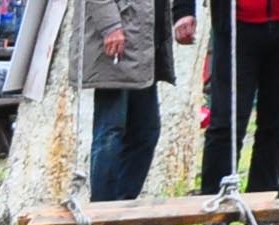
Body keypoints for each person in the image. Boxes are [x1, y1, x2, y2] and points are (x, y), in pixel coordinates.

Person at [82, 0, 198, 206]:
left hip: (144, 43)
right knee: (110, 131)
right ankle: (103, 214)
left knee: (146, 132)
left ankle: (124, 210)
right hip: (117, 42)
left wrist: (182, 13)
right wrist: (110, 27)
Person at [199, 0, 279, 197]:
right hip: (237, 24)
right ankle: (216, 200)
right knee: (226, 121)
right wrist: (183, 10)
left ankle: (264, 198)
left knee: (278, 121)